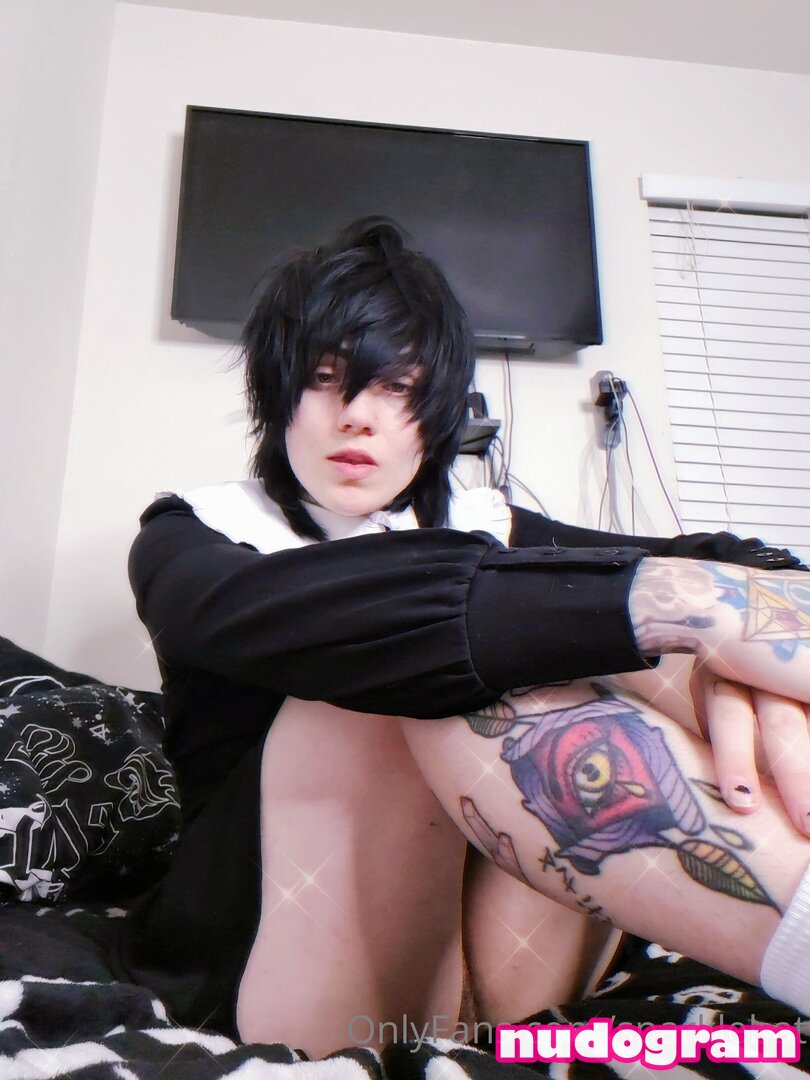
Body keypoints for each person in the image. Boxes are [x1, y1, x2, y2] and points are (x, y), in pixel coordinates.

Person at [114, 217, 810, 1059]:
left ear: (437, 412)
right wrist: (675, 604)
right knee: (436, 660)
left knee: (655, 627)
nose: (358, 416)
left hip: (510, 977)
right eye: (325, 380)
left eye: (397, 387)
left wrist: (730, 657)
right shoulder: (191, 537)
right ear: (277, 395)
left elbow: (726, 561)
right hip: (290, 960)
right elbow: (335, 616)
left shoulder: (485, 523)